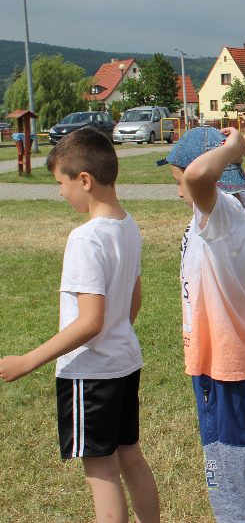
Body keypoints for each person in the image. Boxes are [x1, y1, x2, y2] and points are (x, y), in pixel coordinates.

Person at [0, 128, 160, 523]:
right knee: (130, 457)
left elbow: (90, 322)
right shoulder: (127, 224)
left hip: (90, 374)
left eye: (61, 183)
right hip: (124, 364)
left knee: (101, 472)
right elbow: (134, 297)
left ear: (84, 180)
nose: (60, 192)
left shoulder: (85, 239)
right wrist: (117, 334)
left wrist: (26, 361)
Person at [159, 125, 245, 522]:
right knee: (239, 461)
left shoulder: (223, 217)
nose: (179, 191)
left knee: (226, 473)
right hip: (240, 355)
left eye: (177, 182)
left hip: (223, 364)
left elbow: (197, 177)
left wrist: (235, 146)